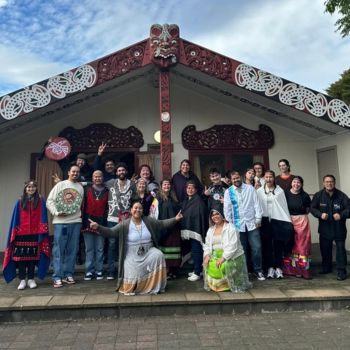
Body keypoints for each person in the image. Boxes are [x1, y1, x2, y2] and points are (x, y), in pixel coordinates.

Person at [89, 201, 183, 295]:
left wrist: (175, 219)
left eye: (140, 208)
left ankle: (154, 285)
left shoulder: (148, 221)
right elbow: (110, 232)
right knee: (134, 274)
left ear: (142, 211)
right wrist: (98, 227)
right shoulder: (124, 224)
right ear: (131, 210)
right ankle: (138, 287)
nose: (137, 210)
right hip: (131, 253)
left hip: (148, 251)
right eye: (135, 208)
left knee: (158, 254)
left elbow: (162, 224)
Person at [3, 180, 50, 290]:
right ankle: (22, 280)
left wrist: (42, 230)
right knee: (21, 258)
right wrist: (14, 232)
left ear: (36, 188)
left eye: (33, 187)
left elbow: (43, 216)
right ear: (25, 188)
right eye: (28, 187)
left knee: (33, 257)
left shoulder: (41, 200)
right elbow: (15, 218)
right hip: (21, 234)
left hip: (35, 233)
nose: (31, 189)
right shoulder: (19, 201)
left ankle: (31, 279)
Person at [46, 165, 84, 287]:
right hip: (61, 222)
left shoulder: (80, 187)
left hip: (76, 222)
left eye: (77, 172)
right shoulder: (60, 185)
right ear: (68, 172)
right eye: (73, 171)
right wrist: (56, 212)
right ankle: (57, 276)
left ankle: (68, 274)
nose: (75, 173)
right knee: (58, 250)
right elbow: (49, 201)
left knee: (72, 250)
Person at [223, 171, 265, 281]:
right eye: (233, 179)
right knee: (242, 250)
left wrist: (258, 218)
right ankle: (245, 272)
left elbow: (256, 204)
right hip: (238, 225)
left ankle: (258, 270)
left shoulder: (250, 188)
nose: (236, 180)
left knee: (256, 247)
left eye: (237, 178)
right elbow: (227, 208)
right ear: (231, 180)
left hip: (252, 223)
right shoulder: (229, 191)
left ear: (241, 177)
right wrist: (230, 223)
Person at [310, 175, 350, 281]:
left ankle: (341, 271)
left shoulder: (342, 196)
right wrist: (320, 214)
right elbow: (312, 208)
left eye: (331, 181)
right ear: (323, 183)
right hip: (324, 229)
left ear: (334, 182)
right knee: (325, 249)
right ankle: (326, 268)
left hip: (339, 229)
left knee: (340, 251)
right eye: (327, 182)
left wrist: (341, 215)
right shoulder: (319, 195)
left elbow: (349, 209)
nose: (329, 183)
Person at [203, 208, 252, 293]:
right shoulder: (210, 230)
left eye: (217, 214)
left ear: (222, 215)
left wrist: (223, 258)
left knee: (224, 264)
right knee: (208, 264)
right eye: (213, 215)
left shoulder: (231, 228)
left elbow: (233, 246)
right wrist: (207, 256)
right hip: (215, 255)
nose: (215, 216)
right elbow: (207, 245)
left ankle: (228, 285)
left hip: (232, 255)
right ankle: (217, 286)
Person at [256, 170, 294, 279]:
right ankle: (269, 268)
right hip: (264, 221)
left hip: (278, 221)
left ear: (274, 178)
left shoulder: (280, 191)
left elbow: (283, 207)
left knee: (278, 245)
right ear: (264, 178)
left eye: (270, 177)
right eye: (266, 177)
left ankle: (278, 267)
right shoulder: (259, 191)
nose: (268, 179)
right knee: (267, 245)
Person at [105, 162, 136, 279]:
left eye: (123, 170)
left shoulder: (132, 184)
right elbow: (94, 182)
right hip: (112, 218)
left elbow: (136, 199)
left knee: (126, 245)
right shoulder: (111, 183)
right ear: (116, 172)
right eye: (119, 171)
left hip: (127, 219)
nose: (121, 172)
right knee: (112, 244)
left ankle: (125, 270)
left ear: (126, 172)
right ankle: (111, 271)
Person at [150, 179, 181, 278]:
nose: (166, 186)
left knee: (174, 250)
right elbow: (153, 213)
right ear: (161, 186)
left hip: (174, 227)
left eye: (168, 184)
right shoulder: (157, 198)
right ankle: (166, 271)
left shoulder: (174, 198)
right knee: (165, 250)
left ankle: (173, 271)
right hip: (163, 228)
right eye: (164, 184)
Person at [81, 170, 109, 281]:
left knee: (100, 248)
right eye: (95, 177)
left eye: (99, 176)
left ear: (103, 178)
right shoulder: (86, 189)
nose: (97, 178)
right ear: (92, 178)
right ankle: (89, 271)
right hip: (88, 221)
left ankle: (99, 270)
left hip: (101, 222)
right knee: (89, 249)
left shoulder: (108, 191)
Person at [282, 176, 312, 279]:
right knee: (291, 245)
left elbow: (308, 209)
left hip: (302, 222)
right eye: (294, 182)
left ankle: (303, 271)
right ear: (291, 183)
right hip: (289, 220)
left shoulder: (305, 196)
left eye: (298, 182)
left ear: (301, 184)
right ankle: (291, 270)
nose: (296, 184)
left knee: (302, 247)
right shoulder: (285, 194)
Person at [180, 180, 208, 281]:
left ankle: (197, 272)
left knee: (197, 251)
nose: (190, 190)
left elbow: (199, 216)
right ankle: (198, 269)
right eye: (188, 188)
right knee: (194, 250)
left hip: (197, 230)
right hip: (191, 229)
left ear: (196, 190)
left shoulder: (198, 201)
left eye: (192, 188)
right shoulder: (187, 200)